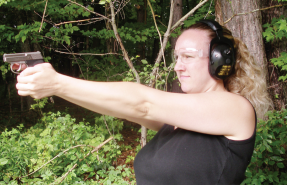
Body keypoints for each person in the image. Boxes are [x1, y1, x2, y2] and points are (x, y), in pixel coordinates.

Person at [16, 20, 271, 184]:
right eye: (176, 57)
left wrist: (58, 83)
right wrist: (56, 89)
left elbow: (142, 103)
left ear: (219, 60)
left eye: (188, 56)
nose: (178, 66)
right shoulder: (180, 118)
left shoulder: (236, 109)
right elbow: (124, 108)